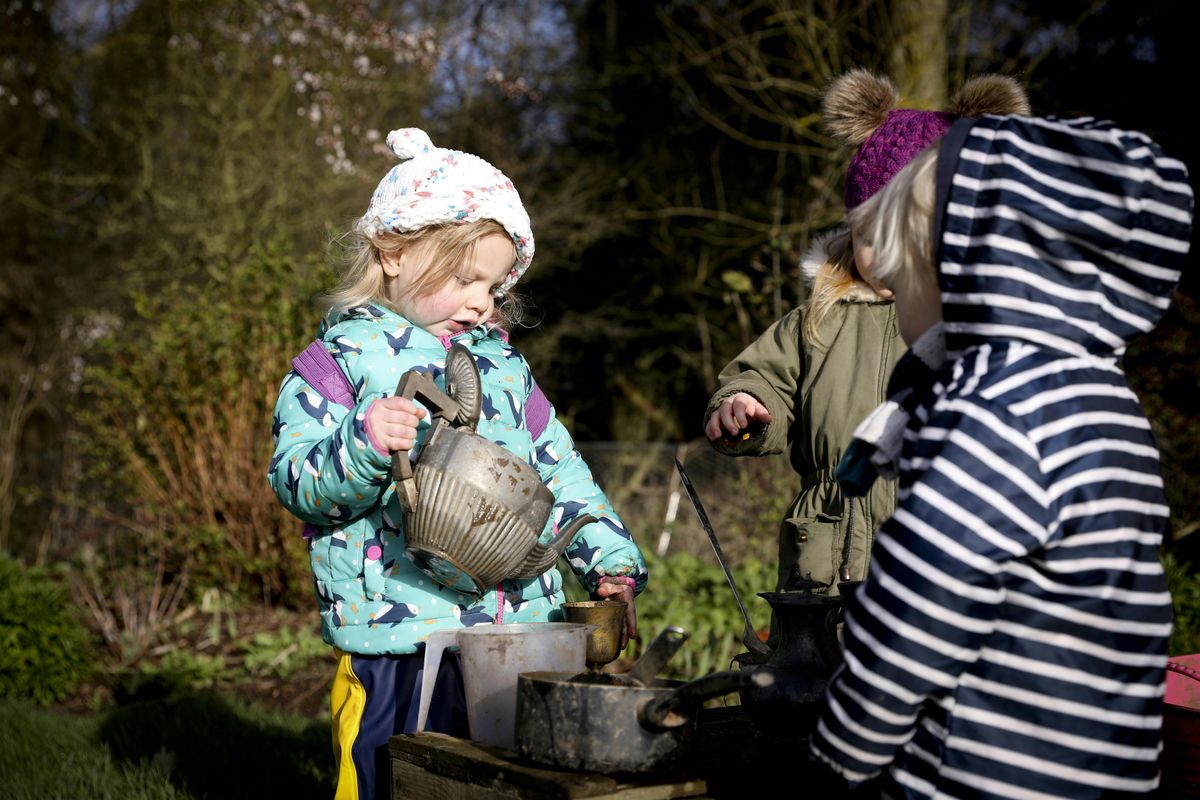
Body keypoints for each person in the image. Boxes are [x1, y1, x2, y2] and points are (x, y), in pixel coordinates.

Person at [807, 108, 1193, 797]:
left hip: (977, 775)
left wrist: (844, 747)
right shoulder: (1108, 403)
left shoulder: (992, 409)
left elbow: (916, 605)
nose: (891, 290)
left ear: (970, 266)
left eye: (904, 270)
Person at [267, 127, 648, 800]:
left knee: (499, 783)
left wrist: (607, 559)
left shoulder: (504, 367)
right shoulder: (341, 362)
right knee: (388, 780)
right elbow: (297, 482)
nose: (481, 301)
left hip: (509, 639)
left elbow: (557, 472)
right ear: (392, 252)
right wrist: (362, 443)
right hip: (397, 636)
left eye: (495, 286)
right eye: (466, 278)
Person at [703, 69, 1029, 605]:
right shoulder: (819, 321)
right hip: (829, 562)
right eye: (873, 237)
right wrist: (745, 404)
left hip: (948, 552)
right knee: (822, 685)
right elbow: (765, 377)